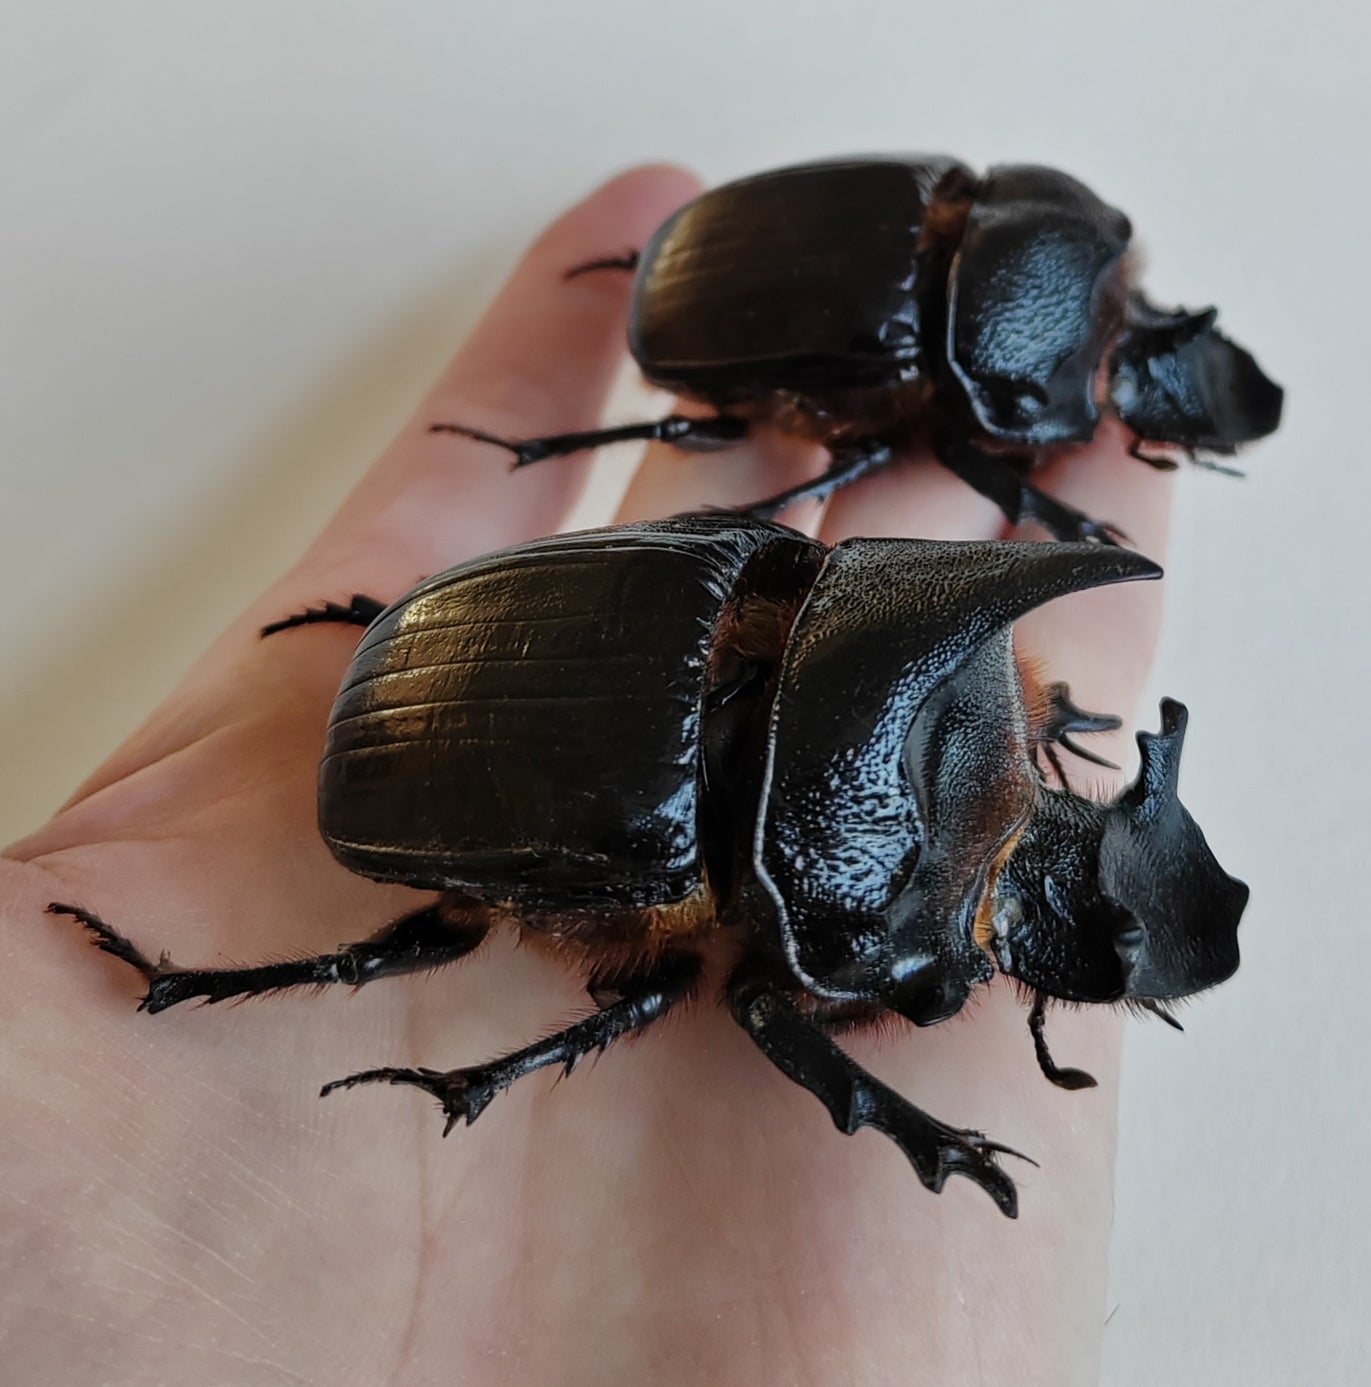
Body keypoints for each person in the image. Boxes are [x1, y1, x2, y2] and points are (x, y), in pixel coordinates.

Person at [1, 166, 1171, 1384]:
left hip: (459, 631)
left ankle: (183, 989)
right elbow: (768, 1003)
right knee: (459, 955)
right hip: (432, 721)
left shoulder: (796, 590)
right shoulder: (741, 856)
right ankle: (180, 989)